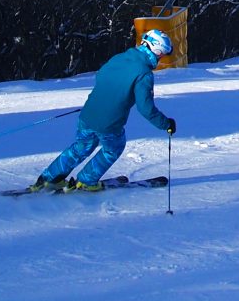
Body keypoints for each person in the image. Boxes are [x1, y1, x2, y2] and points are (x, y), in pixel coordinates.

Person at [31, 29, 177, 192]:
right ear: (155, 50)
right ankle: (86, 180)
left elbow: (102, 79)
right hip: (109, 123)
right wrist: (166, 124)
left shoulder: (118, 58)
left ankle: (49, 178)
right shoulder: (144, 73)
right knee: (113, 148)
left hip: (88, 115)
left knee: (81, 147)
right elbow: (146, 108)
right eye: (162, 53)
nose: (161, 57)